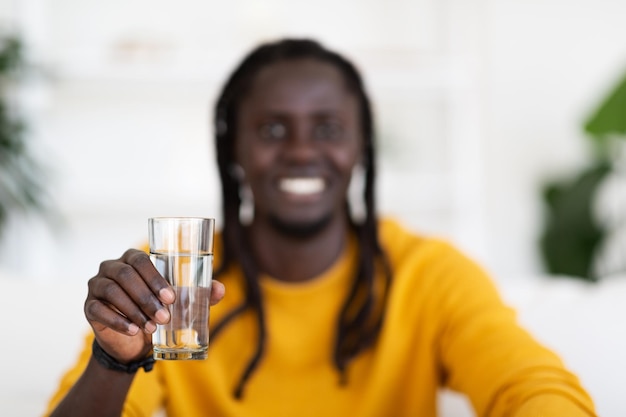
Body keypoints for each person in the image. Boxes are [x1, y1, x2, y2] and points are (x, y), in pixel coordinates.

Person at [45, 38, 596, 417]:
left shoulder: (428, 274)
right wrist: (114, 360)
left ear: (360, 147)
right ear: (233, 147)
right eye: (272, 128)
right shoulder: (175, 278)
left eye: (328, 128)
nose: (302, 150)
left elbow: (533, 387)